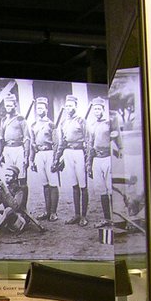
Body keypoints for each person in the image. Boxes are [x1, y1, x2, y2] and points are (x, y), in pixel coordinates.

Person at [54, 94, 89, 226]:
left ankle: (84, 216)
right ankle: (76, 214)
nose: (69, 108)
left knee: (83, 186)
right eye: (67, 106)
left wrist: (88, 160)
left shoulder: (81, 121)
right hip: (68, 153)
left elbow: (87, 140)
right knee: (74, 185)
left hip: (79, 152)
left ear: (75, 106)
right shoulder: (63, 122)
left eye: (71, 105)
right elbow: (62, 142)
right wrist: (57, 158)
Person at [85, 96, 119, 227]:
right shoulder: (92, 126)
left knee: (111, 189)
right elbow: (90, 146)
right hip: (97, 160)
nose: (97, 111)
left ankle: (116, 218)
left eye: (99, 109)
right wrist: (89, 164)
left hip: (107, 158)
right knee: (102, 190)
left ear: (103, 110)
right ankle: (107, 218)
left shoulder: (109, 123)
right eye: (95, 109)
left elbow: (116, 140)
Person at [0, 95, 30, 218]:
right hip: (8, 150)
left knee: (21, 180)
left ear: (15, 105)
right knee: (9, 178)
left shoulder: (21, 119)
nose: (8, 107)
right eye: (7, 105)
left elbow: (26, 138)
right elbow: (1, 139)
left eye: (11, 105)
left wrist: (26, 156)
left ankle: (23, 208)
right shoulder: (4, 120)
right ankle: (10, 208)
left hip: (18, 149)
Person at [27, 97, 59, 222]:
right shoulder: (34, 125)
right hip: (39, 154)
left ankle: (53, 212)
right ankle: (47, 210)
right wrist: (32, 160)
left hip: (49, 153)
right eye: (37, 108)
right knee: (44, 184)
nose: (39, 110)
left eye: (41, 107)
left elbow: (56, 143)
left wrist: (56, 159)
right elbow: (32, 144)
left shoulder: (51, 124)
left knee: (53, 184)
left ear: (46, 109)